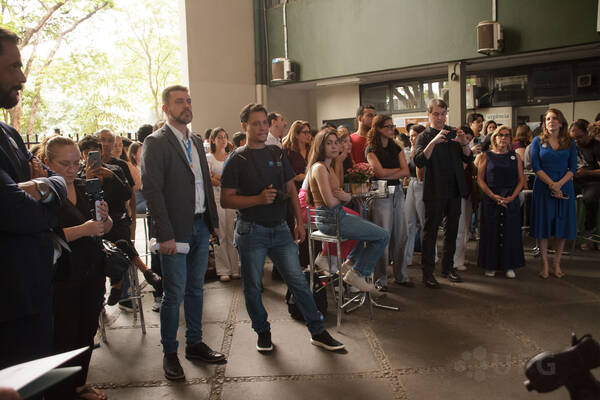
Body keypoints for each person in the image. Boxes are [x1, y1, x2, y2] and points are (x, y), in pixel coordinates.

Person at [220, 103, 345, 352]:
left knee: (298, 281)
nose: (262, 128)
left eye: (264, 123)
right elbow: (226, 200)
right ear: (244, 126)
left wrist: (299, 221)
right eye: (256, 123)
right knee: (253, 286)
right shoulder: (237, 158)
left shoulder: (276, 154)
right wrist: (257, 199)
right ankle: (262, 332)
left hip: (280, 228)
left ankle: (317, 330)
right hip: (251, 230)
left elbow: (290, 189)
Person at [142, 85, 225, 381]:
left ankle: (195, 343)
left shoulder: (197, 140)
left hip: (201, 225)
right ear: (166, 109)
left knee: (196, 289)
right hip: (175, 230)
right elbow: (152, 191)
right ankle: (170, 353)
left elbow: (204, 184)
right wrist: (164, 234)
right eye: (179, 102)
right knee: (174, 293)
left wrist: (213, 222)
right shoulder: (156, 142)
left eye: (188, 100)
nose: (186, 105)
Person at [0, 27, 67, 371]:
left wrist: (41, 185)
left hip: (35, 289)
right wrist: (45, 188)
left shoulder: (9, 133)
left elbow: (56, 184)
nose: (23, 77)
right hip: (8, 301)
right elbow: (16, 211)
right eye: (14, 67)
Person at [43, 136, 113, 400]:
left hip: (92, 269)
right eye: (65, 164)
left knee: (87, 331)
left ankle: (78, 384)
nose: (72, 169)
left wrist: (105, 218)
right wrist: (83, 230)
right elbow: (44, 238)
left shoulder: (85, 188)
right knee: (64, 335)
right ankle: (60, 392)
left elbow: (104, 228)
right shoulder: (44, 195)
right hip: (63, 275)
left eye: (76, 163)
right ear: (48, 162)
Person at [308, 129, 390, 294]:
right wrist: (347, 196)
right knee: (383, 236)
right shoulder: (319, 168)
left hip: (336, 215)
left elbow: (338, 193)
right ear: (320, 146)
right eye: (329, 143)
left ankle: (351, 265)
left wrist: (345, 196)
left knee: (367, 228)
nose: (334, 146)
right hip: (330, 218)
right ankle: (358, 273)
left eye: (336, 142)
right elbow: (331, 202)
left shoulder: (329, 167)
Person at [413, 98, 472, 288]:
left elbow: (468, 158)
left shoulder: (452, 132)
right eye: (436, 114)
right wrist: (434, 141)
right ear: (429, 114)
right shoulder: (424, 136)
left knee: (452, 231)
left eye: (443, 114)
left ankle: (448, 268)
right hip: (434, 189)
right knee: (430, 232)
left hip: (454, 189)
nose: (440, 118)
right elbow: (419, 161)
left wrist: (464, 142)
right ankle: (427, 273)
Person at [365, 115, 412, 290]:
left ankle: (401, 275)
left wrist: (387, 172)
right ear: (378, 129)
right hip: (380, 193)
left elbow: (406, 171)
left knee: (401, 235)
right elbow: (378, 173)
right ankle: (380, 280)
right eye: (388, 126)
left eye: (393, 126)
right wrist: (395, 171)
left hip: (397, 192)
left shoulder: (396, 147)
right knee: (382, 237)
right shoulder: (371, 149)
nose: (392, 129)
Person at [530, 108, 577, 279]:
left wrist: (559, 185)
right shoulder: (537, 141)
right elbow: (536, 167)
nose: (551, 121)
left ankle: (557, 263)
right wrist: (551, 184)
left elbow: (573, 168)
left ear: (561, 122)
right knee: (543, 225)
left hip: (564, 186)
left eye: (555, 118)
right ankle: (545, 264)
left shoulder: (570, 142)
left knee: (561, 225)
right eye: (548, 119)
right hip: (543, 187)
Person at [476, 126, 526, 278]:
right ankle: (490, 265)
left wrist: (512, 197)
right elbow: (480, 179)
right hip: (491, 199)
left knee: (511, 233)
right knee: (491, 233)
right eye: (500, 135)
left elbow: (521, 180)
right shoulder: (486, 156)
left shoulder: (516, 157)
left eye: (507, 135)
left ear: (510, 139)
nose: (503, 138)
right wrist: (492, 195)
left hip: (510, 199)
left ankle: (509, 265)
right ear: (494, 138)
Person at [206, 127, 240, 282]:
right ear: (213, 140)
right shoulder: (209, 158)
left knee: (232, 232)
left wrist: (218, 177)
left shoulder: (231, 156)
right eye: (219, 137)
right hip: (216, 198)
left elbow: (234, 178)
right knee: (220, 234)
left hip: (231, 197)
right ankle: (223, 269)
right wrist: (221, 179)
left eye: (224, 136)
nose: (222, 139)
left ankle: (234, 267)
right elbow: (209, 179)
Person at [569, 119, 600, 247]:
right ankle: (565, 228)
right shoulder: (573, 145)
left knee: (589, 199)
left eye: (579, 137)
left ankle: (589, 231)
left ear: (587, 133)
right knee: (560, 194)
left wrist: (587, 173)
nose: (576, 141)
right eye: (573, 138)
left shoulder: (597, 146)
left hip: (594, 181)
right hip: (577, 180)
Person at [453, 126, 478, 272]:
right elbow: (458, 169)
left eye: (469, 139)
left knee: (466, 228)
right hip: (458, 193)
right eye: (465, 138)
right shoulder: (455, 152)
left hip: (468, 192)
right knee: (459, 228)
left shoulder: (467, 152)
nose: (467, 142)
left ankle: (460, 257)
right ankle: (456, 260)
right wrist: (470, 155)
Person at [402, 124, 427, 269]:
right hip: (412, 184)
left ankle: (431, 255)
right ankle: (407, 257)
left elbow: (421, 172)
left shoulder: (424, 150)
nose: (411, 139)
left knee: (425, 223)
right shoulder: (411, 150)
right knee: (408, 222)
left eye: (414, 136)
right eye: (410, 136)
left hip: (423, 185)